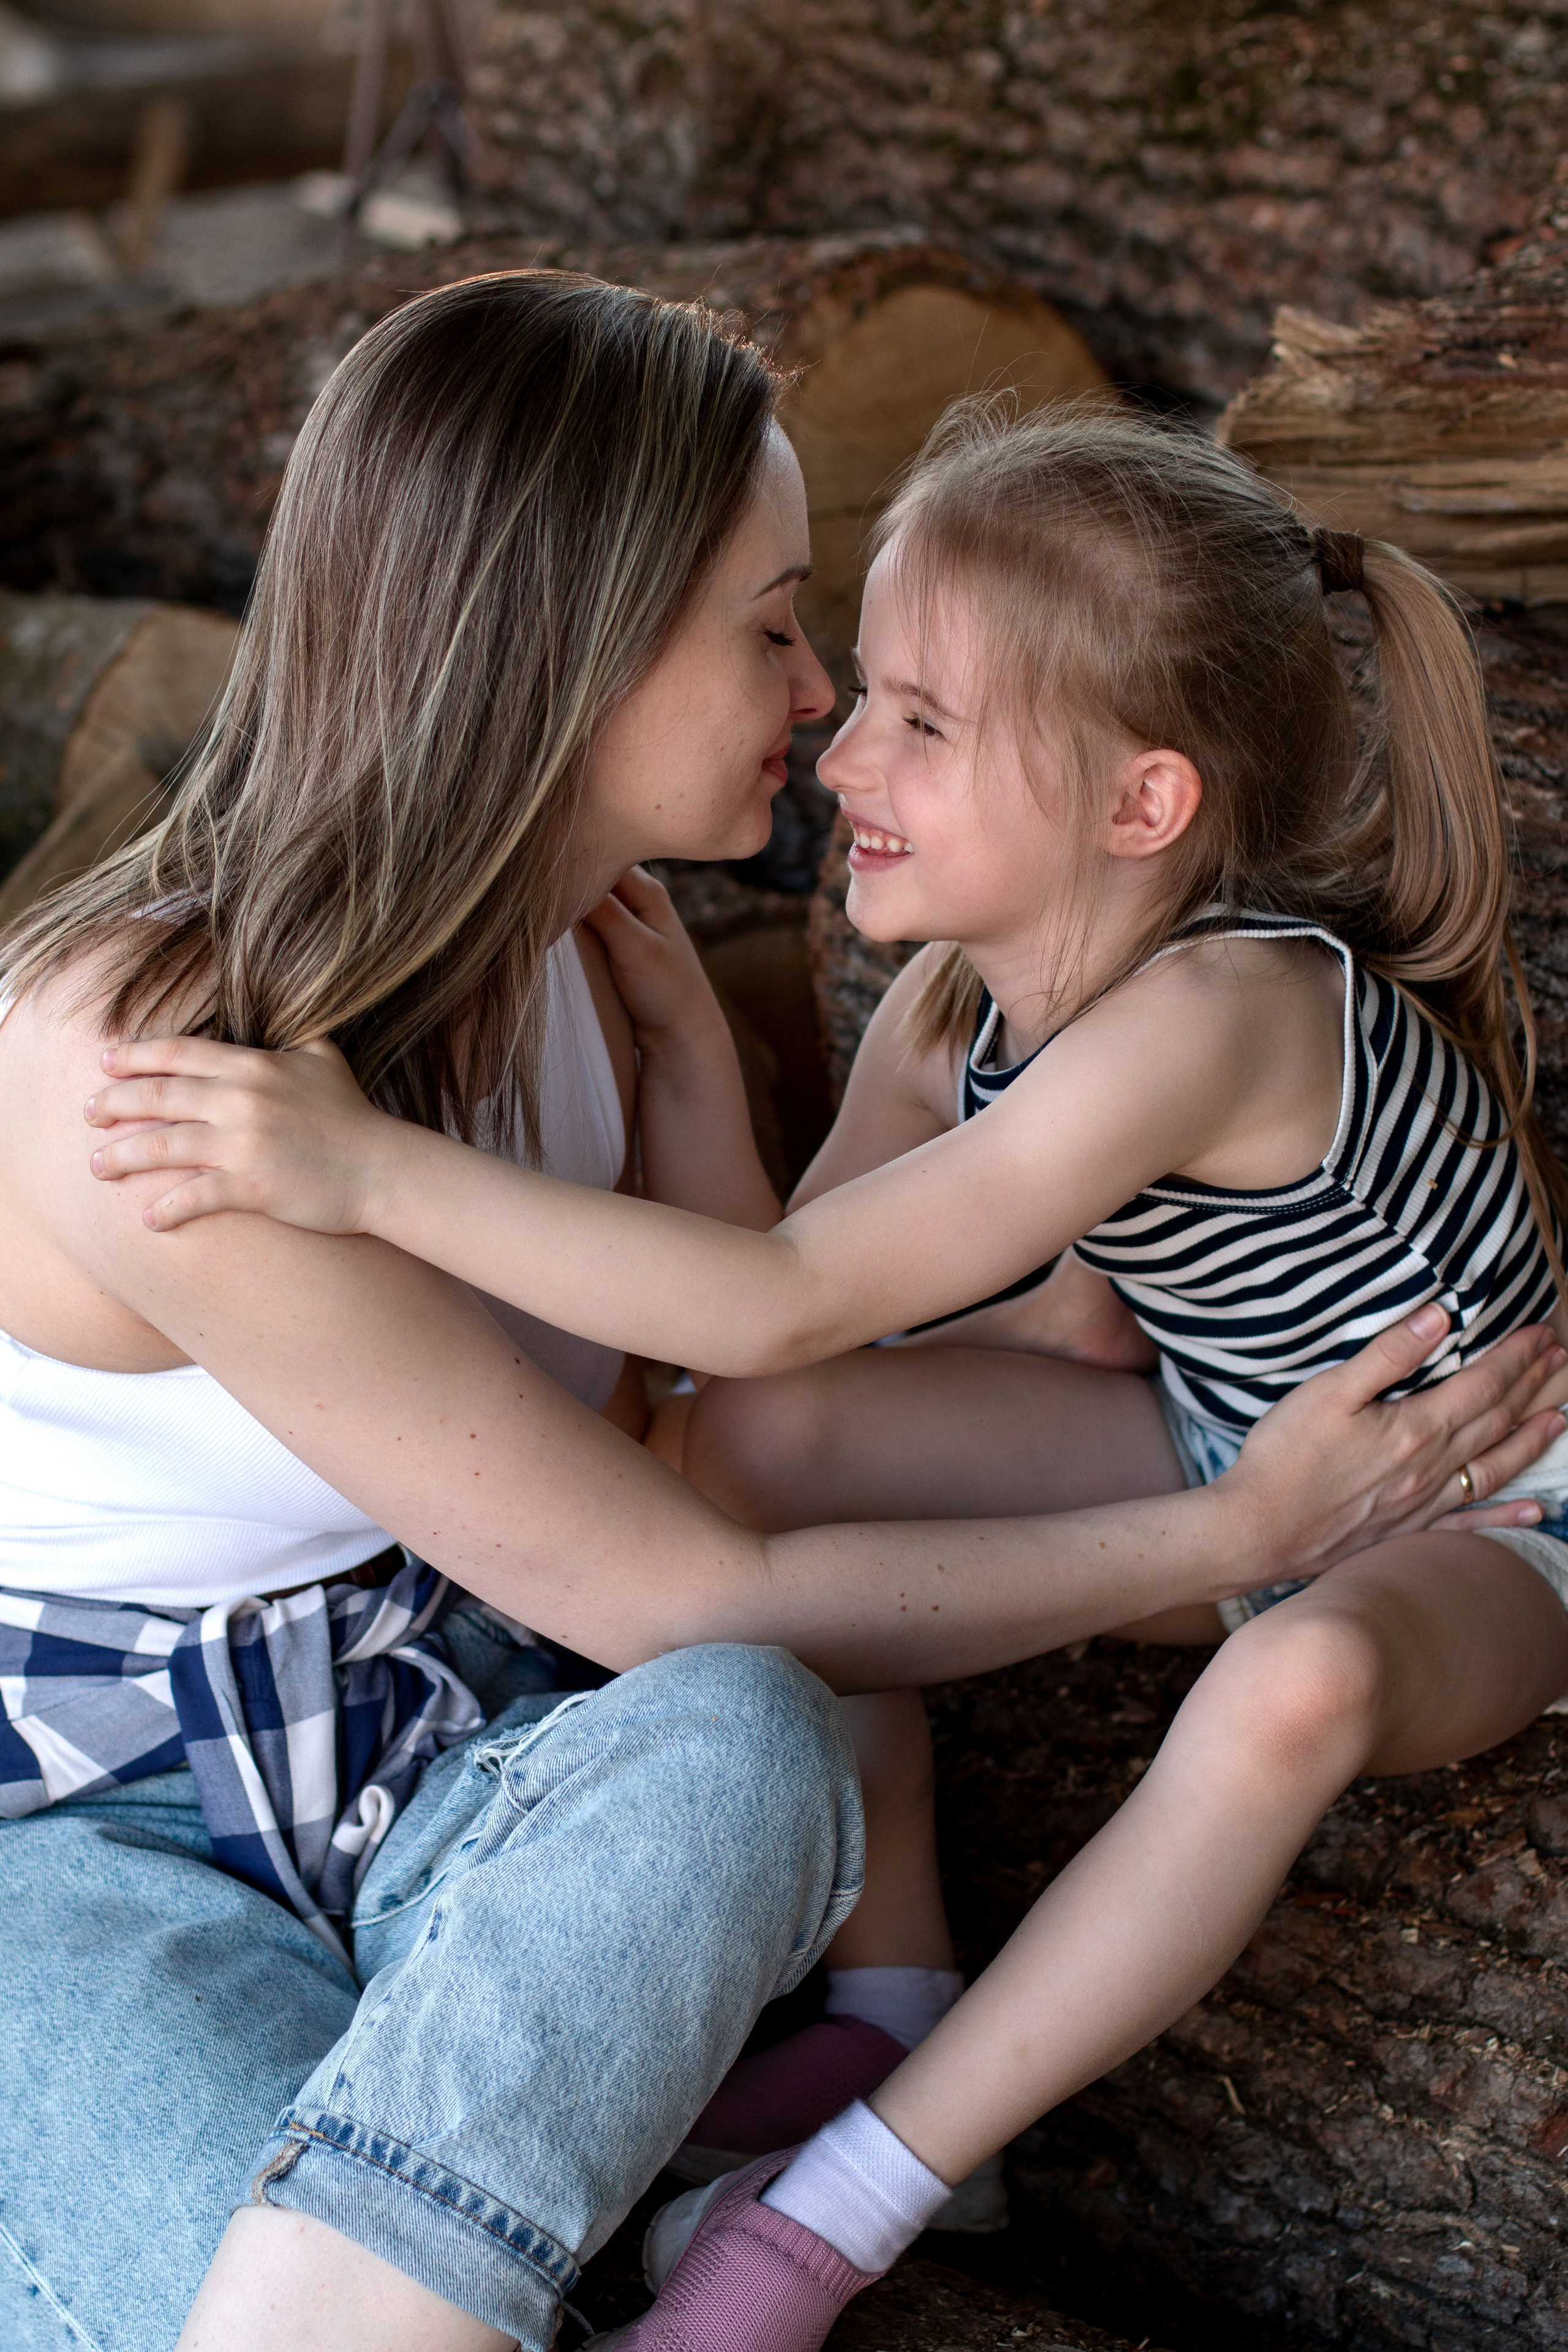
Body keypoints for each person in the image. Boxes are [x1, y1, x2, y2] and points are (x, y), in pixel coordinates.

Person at [88, 405, 1568, 2350]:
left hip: (1483, 1507)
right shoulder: (976, 995)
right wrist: (719, 1082)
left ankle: (844, 2210)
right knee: (757, 1449)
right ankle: (894, 1988)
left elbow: (778, 1286)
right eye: (852, 686)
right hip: (1241, 1444)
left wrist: (358, 1169)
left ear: (1142, 807)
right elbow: (784, 1347)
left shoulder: (1218, 1008)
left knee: (1294, 1678)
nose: (839, 751)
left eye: (923, 725)